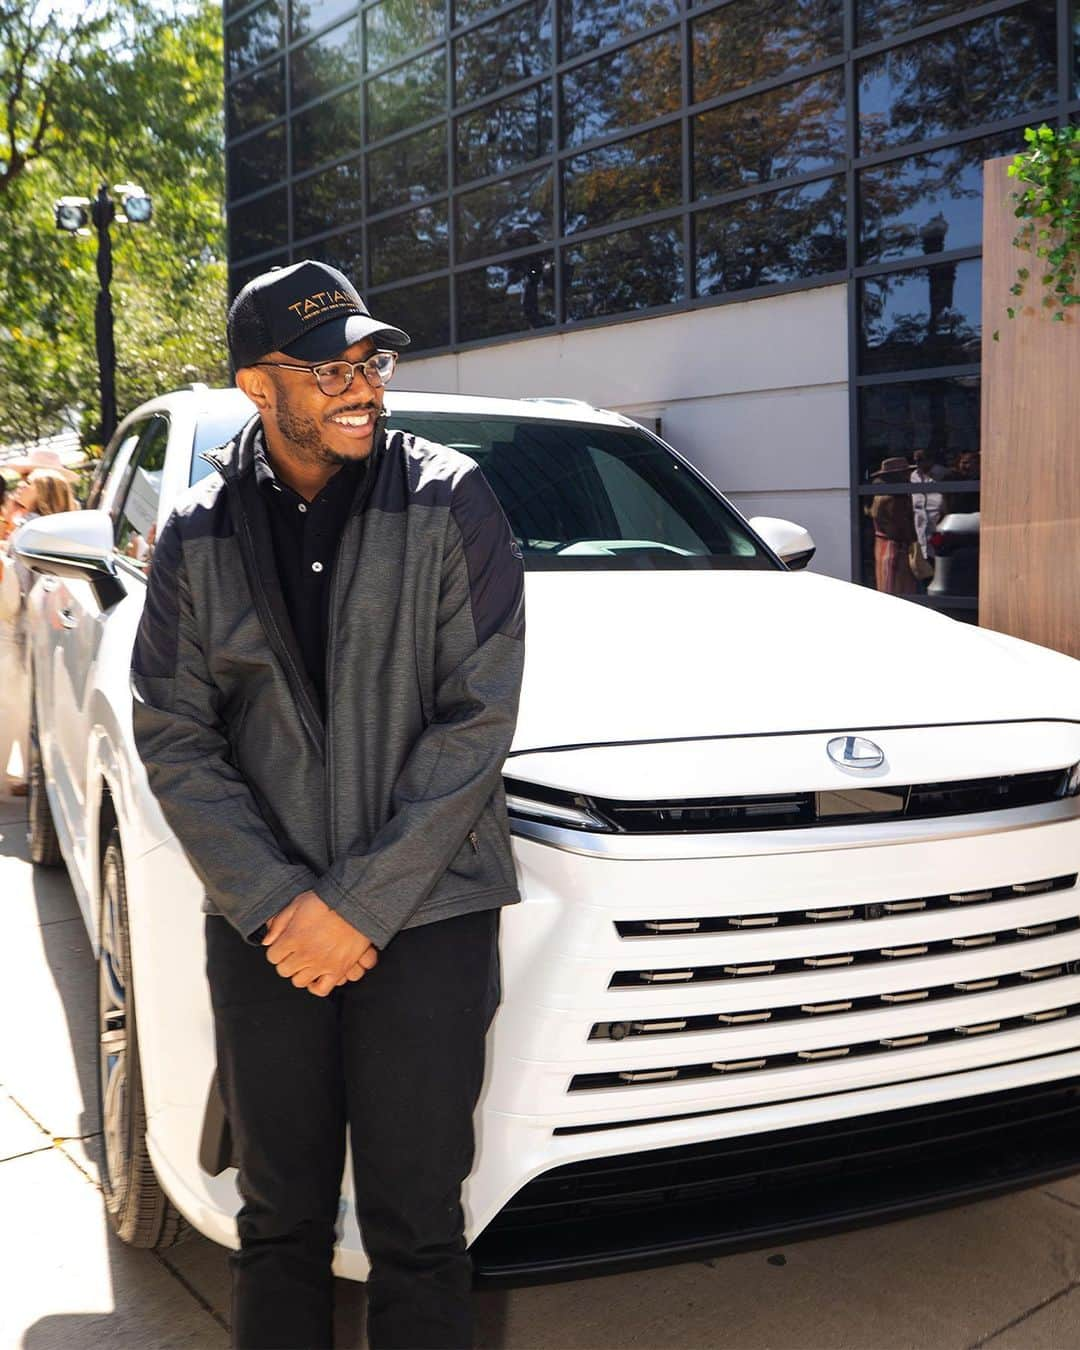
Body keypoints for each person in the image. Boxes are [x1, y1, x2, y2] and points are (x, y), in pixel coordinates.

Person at [129, 260, 526, 1350]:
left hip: (430, 917)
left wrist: (356, 906)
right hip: (270, 932)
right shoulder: (200, 530)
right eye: (328, 368)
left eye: (371, 361)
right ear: (260, 386)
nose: (363, 386)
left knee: (419, 1228)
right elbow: (173, 731)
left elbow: (477, 722)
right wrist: (274, 902)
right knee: (279, 1222)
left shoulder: (451, 500)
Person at [0, 466, 80, 793]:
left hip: (24, 629)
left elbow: (18, 591)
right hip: (58, 627)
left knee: (16, 704)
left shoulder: (27, 531)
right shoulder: (68, 530)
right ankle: (36, 771)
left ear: (44, 491)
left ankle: (30, 774)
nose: (21, 486)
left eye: (29, 483)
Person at [866, 455, 918, 595]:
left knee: (885, 586)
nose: (908, 476)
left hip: (882, 547)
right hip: (896, 549)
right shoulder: (895, 498)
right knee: (899, 591)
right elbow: (901, 527)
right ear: (898, 476)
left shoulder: (878, 496)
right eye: (905, 473)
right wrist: (914, 539)